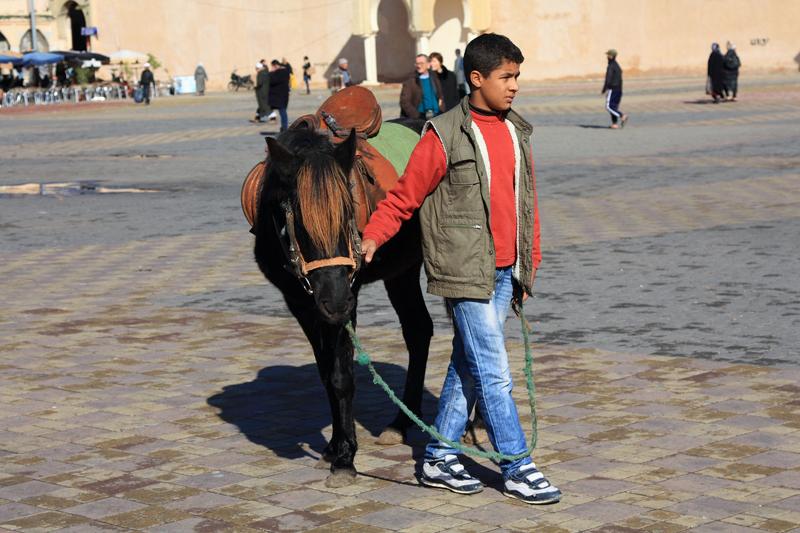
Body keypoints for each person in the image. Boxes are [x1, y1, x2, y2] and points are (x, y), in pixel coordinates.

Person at [361, 33, 561, 505]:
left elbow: (526, 202)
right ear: (477, 79)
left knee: (468, 364)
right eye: (506, 77)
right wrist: (373, 235)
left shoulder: (517, 130)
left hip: (504, 269)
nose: (514, 86)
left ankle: (438, 457)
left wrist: (527, 266)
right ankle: (516, 465)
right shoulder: (442, 134)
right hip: (464, 269)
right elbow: (406, 196)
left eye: (517, 77)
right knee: (494, 371)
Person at [399, 54, 443, 119]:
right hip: (419, 118)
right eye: (417, 64)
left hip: (437, 116)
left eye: (421, 63)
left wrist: (441, 109)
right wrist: (417, 116)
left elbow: (441, 96)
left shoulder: (435, 78)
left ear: (428, 65)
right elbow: (404, 102)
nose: (419, 66)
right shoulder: (410, 81)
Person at [601, 49, 627, 129]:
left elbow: (608, 78)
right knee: (614, 107)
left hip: (613, 89)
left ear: (611, 56)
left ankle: (622, 115)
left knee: (608, 106)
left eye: (608, 55)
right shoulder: (617, 66)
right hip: (619, 89)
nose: (607, 57)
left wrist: (605, 88)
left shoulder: (611, 66)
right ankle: (614, 124)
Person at [268, 59, 290, 131]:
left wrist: (271, 73)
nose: (272, 68)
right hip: (283, 95)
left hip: (279, 96)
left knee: (282, 112)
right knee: (282, 112)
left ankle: (284, 128)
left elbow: (273, 81)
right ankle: (284, 127)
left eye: (272, 67)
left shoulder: (279, 73)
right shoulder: (285, 71)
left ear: (275, 65)